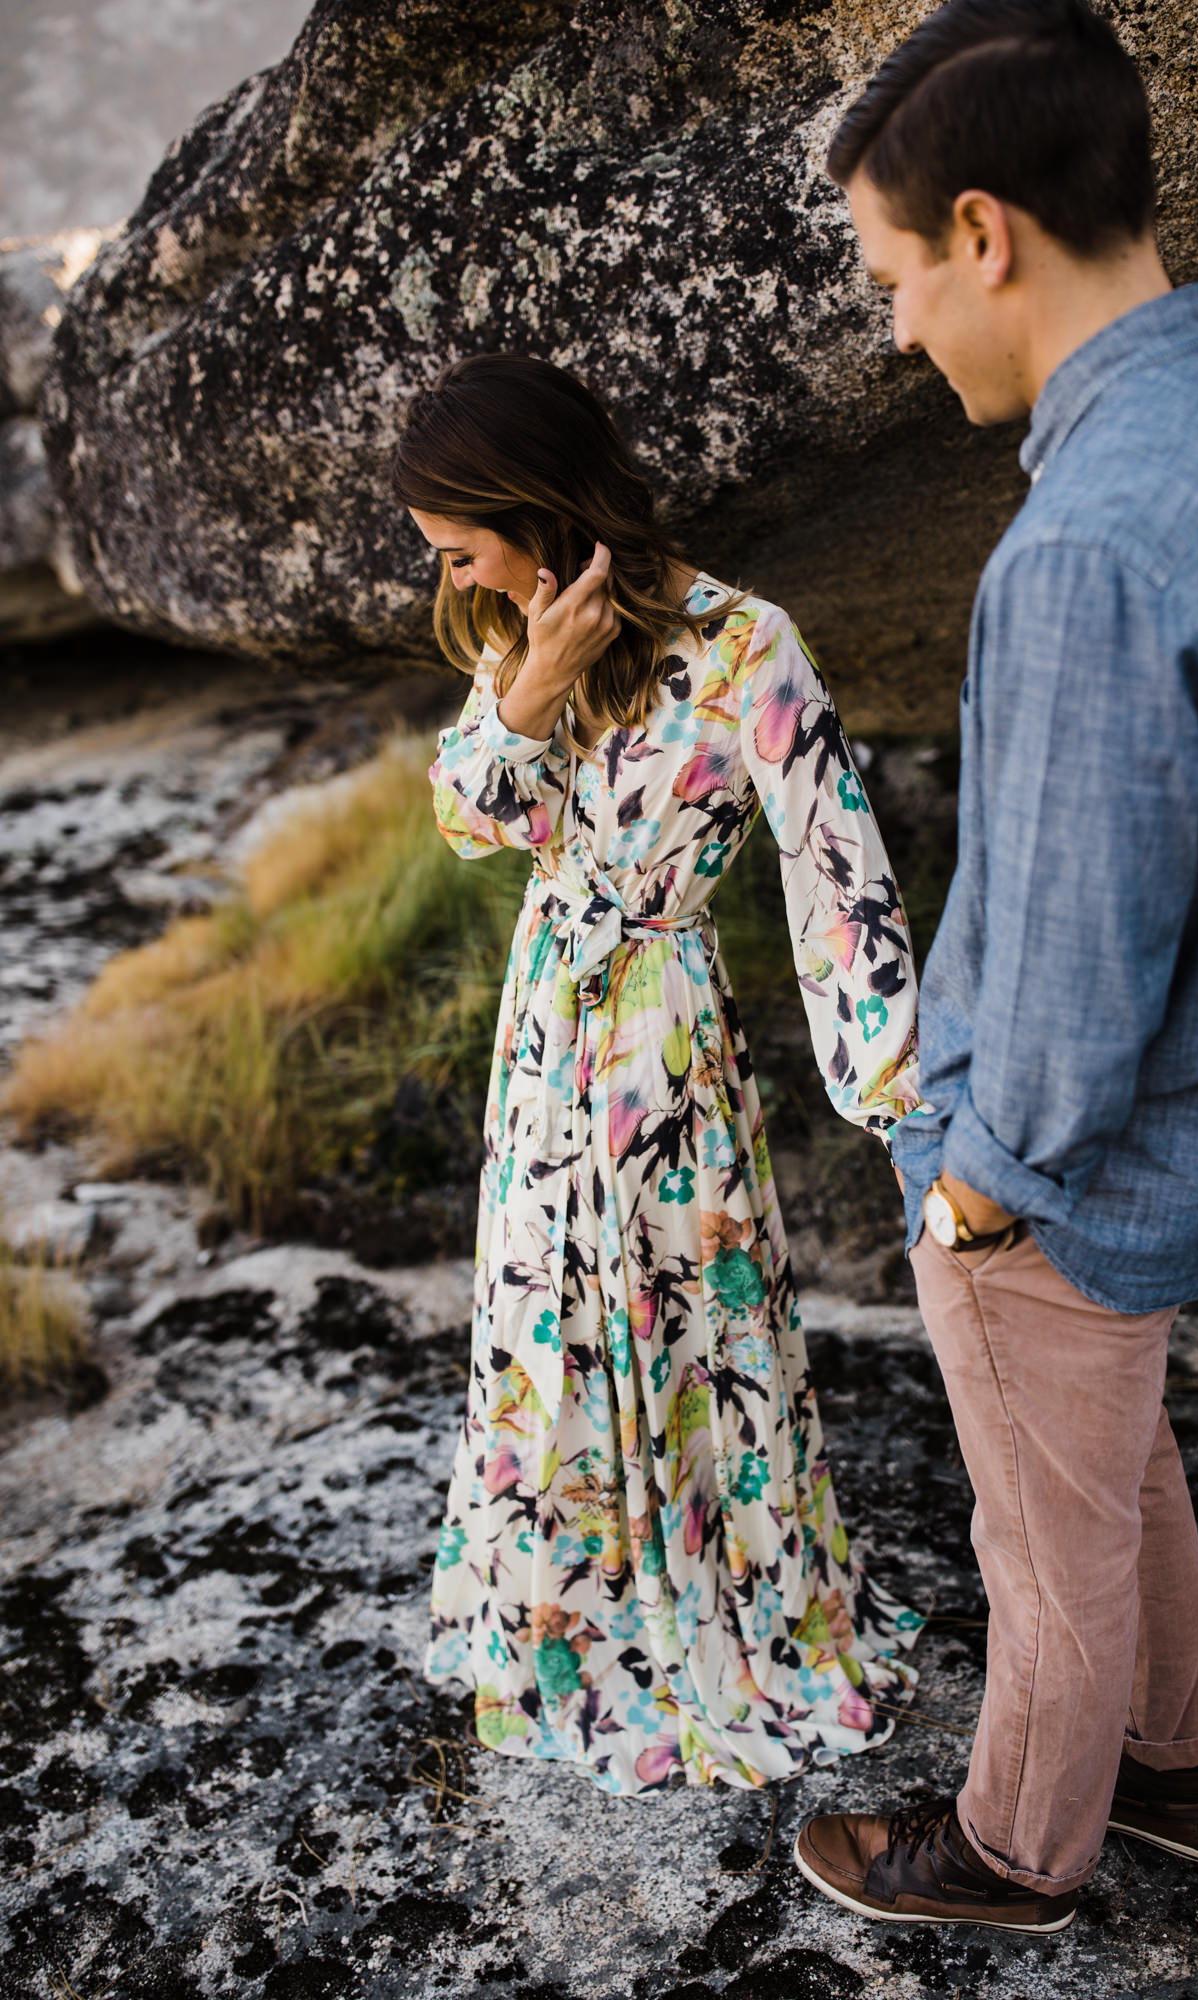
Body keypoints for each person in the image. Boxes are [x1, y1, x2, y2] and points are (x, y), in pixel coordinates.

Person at [795, 0, 1198, 1936]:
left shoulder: (1088, 545)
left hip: (1074, 1161)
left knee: (1039, 1533)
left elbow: (1085, 942)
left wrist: (975, 1179)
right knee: (1110, 1466)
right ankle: (1183, 1773)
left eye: (891, 272)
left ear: (987, 235)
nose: (895, 324)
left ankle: (1020, 1847)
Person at [391, 353, 927, 1795]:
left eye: (464, 544)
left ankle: (714, 1614)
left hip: (660, 1031)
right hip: (543, 1015)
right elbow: (464, 816)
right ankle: (575, 1609)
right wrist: (533, 685)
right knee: (542, 1313)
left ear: (539, 503)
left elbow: (838, 875)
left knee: (685, 1306)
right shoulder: (512, 635)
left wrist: (893, 1100)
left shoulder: (749, 643)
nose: (458, 577)